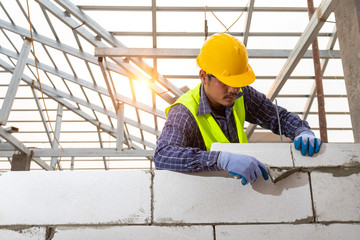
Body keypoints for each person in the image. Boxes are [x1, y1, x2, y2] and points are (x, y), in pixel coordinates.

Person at [154, 32, 322, 185]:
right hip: (202, 195)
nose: (234, 90)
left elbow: (278, 117)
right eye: (226, 82)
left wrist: (301, 131)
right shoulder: (184, 112)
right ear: (204, 76)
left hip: (242, 189)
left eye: (237, 82)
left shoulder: (242, 94)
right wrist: (220, 159)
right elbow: (163, 155)